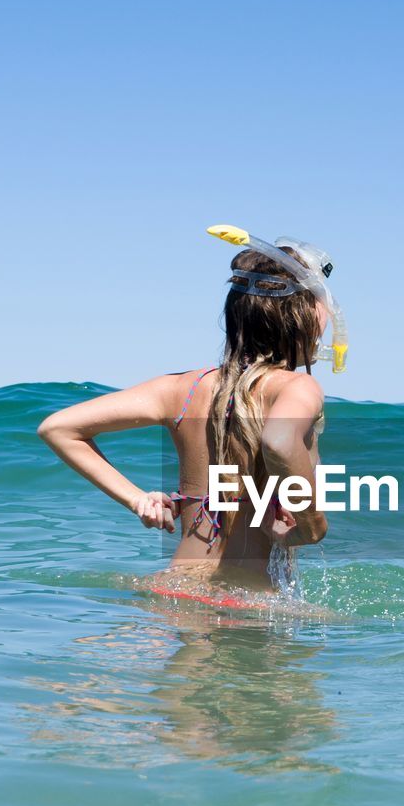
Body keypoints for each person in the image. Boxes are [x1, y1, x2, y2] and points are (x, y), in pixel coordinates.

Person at [36, 227, 346, 597]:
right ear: (301, 315)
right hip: (245, 603)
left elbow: (58, 428)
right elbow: (279, 440)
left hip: (171, 590)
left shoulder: (178, 389)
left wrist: (138, 500)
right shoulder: (297, 387)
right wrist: (311, 526)